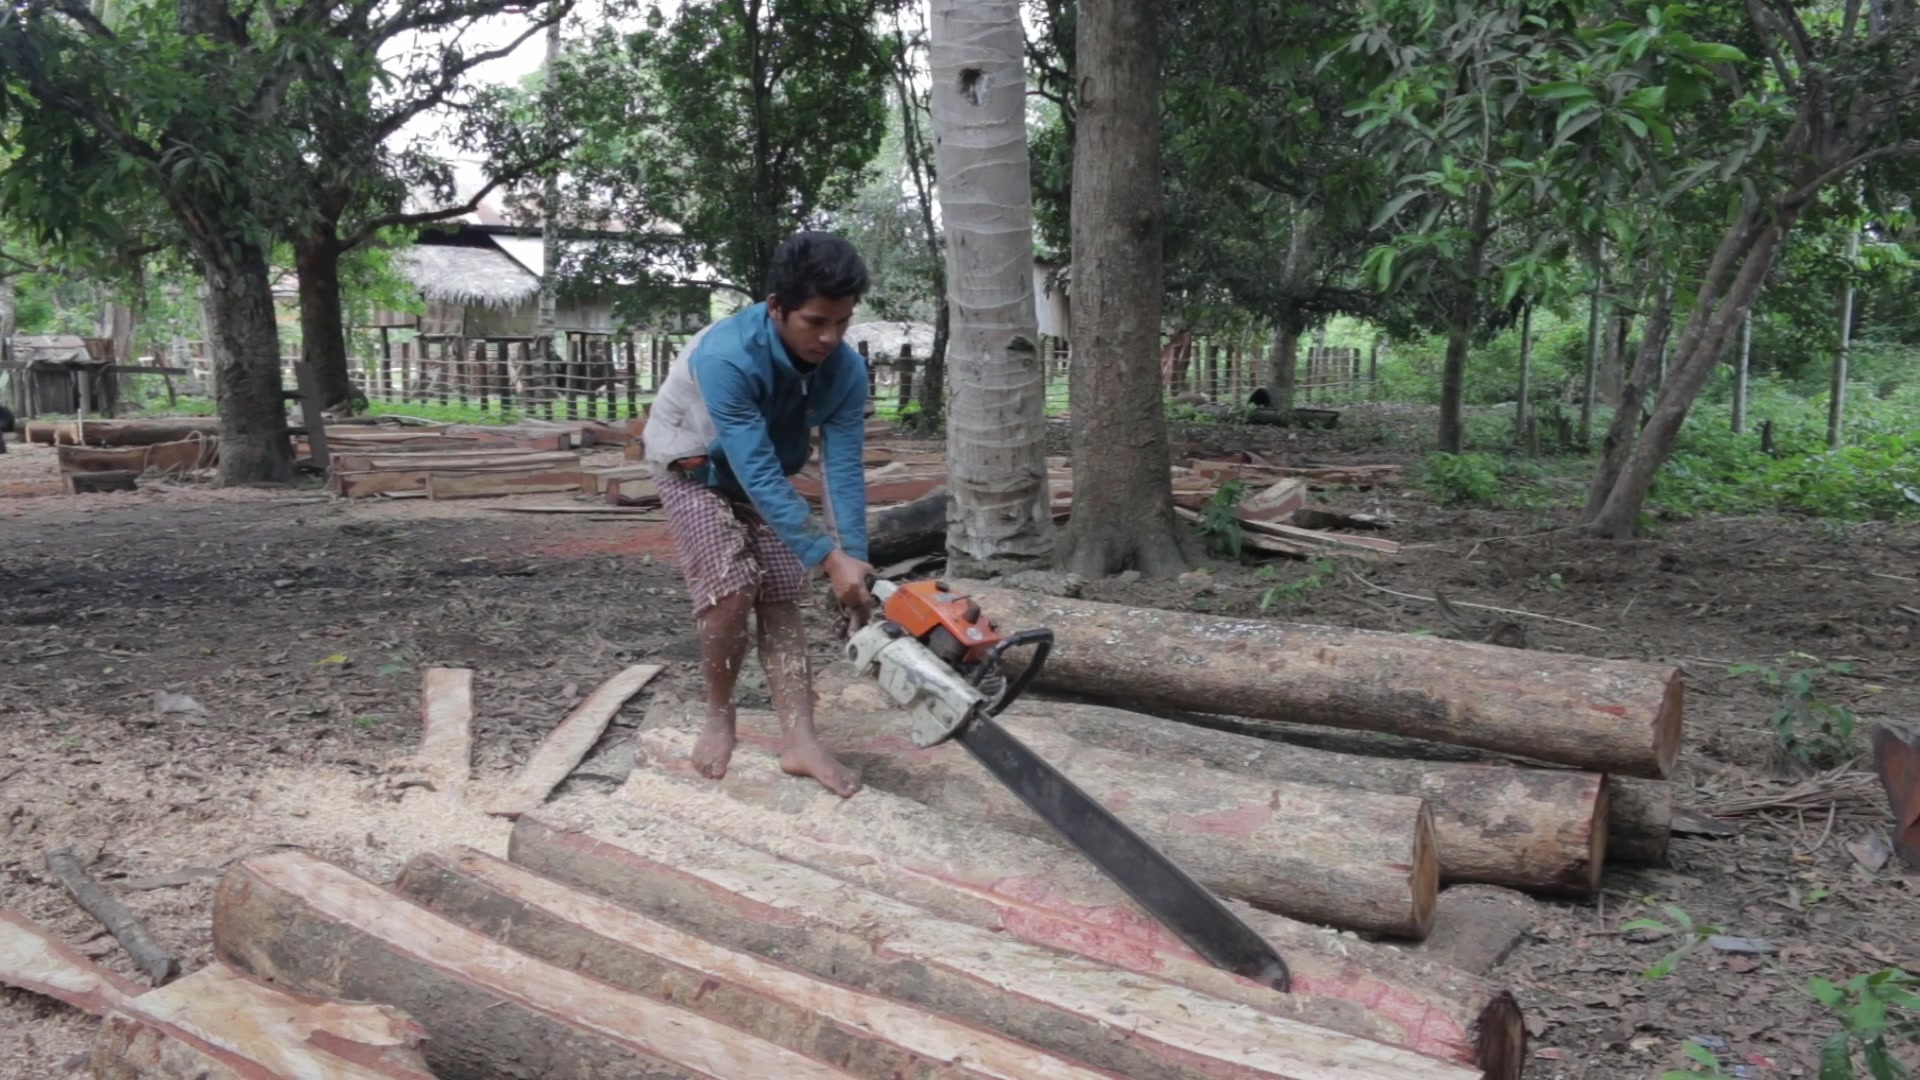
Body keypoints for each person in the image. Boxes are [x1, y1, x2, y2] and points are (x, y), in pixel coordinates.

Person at [643, 231, 875, 797]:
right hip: (692, 466)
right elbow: (755, 470)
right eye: (815, 322)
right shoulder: (726, 357)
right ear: (777, 308)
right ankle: (719, 714)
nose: (830, 338)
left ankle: (800, 740)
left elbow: (841, 472)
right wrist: (826, 556)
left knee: (781, 588)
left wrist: (856, 563)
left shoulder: (845, 370)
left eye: (842, 323)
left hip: (760, 469)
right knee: (730, 585)